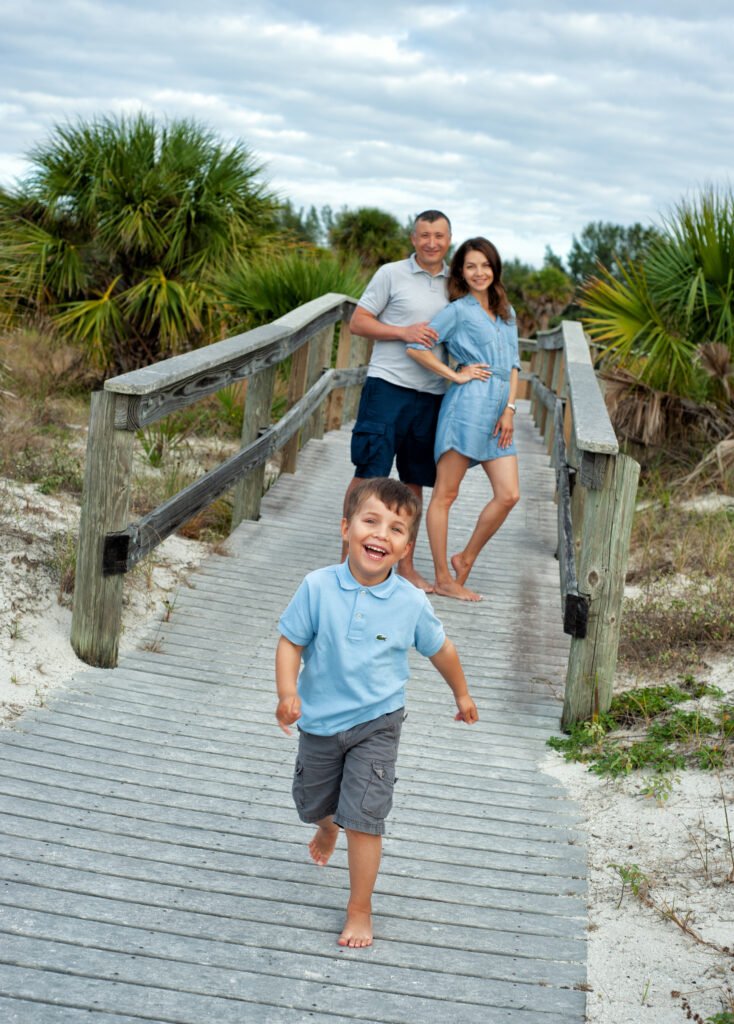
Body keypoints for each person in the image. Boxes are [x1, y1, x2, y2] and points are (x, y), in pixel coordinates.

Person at [275, 477, 478, 949]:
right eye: (371, 521)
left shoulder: (410, 601)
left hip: (378, 723)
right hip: (321, 721)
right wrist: (287, 693)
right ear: (346, 528)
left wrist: (461, 694)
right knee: (311, 802)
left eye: (397, 529)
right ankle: (327, 826)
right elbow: (291, 641)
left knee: (366, 818)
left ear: (406, 546)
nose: (382, 534)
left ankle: (359, 908)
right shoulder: (317, 587)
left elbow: (441, 649)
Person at [406, 237, 521, 602]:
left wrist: (510, 410)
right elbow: (417, 346)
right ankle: (443, 578)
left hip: (499, 411)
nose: (479, 272)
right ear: (460, 271)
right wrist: (455, 374)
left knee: (509, 495)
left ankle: (465, 556)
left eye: (485, 265)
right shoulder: (458, 310)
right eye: (470, 266)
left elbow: (515, 366)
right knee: (446, 494)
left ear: (494, 268)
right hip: (467, 407)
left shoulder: (507, 312)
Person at [343, 210, 452, 592]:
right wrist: (402, 331)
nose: (432, 242)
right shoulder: (391, 273)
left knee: (415, 482)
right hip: (387, 386)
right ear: (413, 238)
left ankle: (404, 566)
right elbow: (358, 322)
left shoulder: (457, 284)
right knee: (369, 473)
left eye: (439, 235)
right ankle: (348, 562)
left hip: (432, 394)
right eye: (425, 235)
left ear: (449, 240)